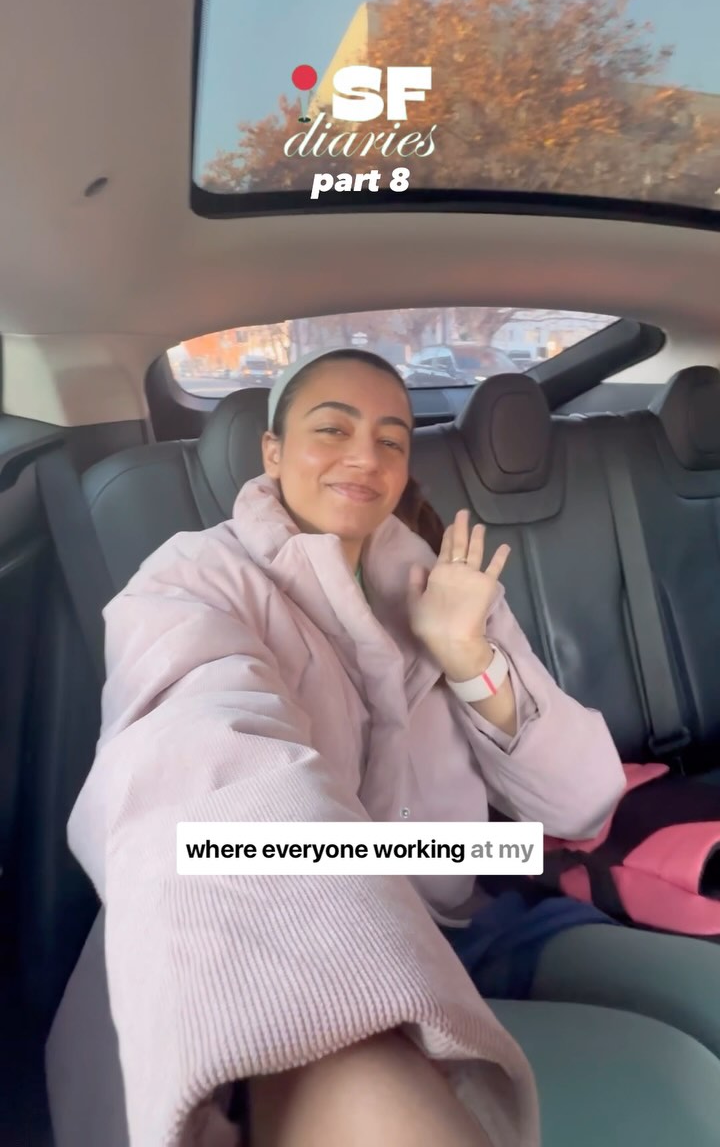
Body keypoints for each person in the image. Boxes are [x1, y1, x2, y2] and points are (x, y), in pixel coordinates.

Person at [63, 347, 720, 1147]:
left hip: (481, 918)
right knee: (679, 1092)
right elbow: (198, 761)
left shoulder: (443, 581)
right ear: (272, 451)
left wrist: (468, 657)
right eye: (331, 429)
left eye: (391, 439)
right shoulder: (191, 581)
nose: (365, 458)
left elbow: (583, 799)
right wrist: (335, 1023)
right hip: (307, 941)